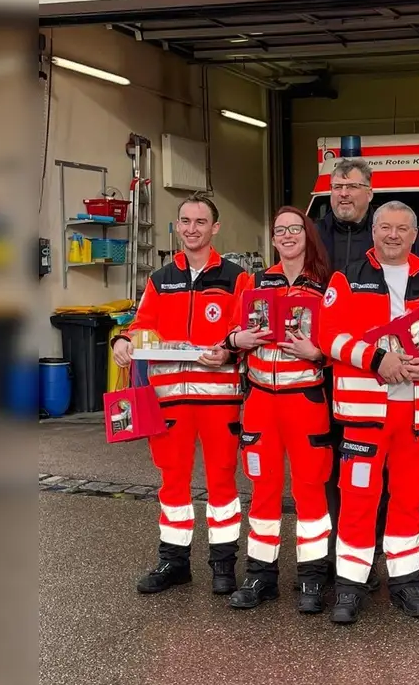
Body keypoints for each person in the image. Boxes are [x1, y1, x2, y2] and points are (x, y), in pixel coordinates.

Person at [316, 201, 419, 624]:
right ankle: (349, 588)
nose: (393, 235)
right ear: (373, 232)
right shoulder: (346, 279)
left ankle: (406, 583)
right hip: (365, 415)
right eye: (385, 227)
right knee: (359, 501)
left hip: (417, 417)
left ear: (415, 235)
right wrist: (375, 358)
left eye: (402, 228)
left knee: (408, 502)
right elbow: (328, 336)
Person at [112, 195, 251, 596]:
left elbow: (244, 328)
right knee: (172, 484)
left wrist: (229, 348)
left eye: (200, 221)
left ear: (215, 228)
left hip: (219, 400)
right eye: (185, 221)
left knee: (223, 483)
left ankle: (223, 564)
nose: (192, 228)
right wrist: (123, 340)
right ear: (177, 226)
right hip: (169, 400)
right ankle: (174, 563)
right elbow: (142, 323)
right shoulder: (159, 279)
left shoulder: (236, 278)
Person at [224, 207, 334, 614]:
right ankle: (259, 575)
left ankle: (311, 578)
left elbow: (342, 342)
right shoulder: (256, 282)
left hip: (306, 401)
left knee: (310, 491)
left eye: (295, 229)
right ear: (272, 239)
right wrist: (240, 337)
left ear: (308, 235)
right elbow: (229, 336)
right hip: (260, 403)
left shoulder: (327, 283)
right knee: (263, 491)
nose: (287, 236)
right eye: (279, 231)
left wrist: (318, 352)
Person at [314, 157, 419, 272]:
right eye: (337, 187)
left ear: (369, 194)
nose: (343, 193)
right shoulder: (313, 234)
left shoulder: (393, 234)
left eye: (352, 186)